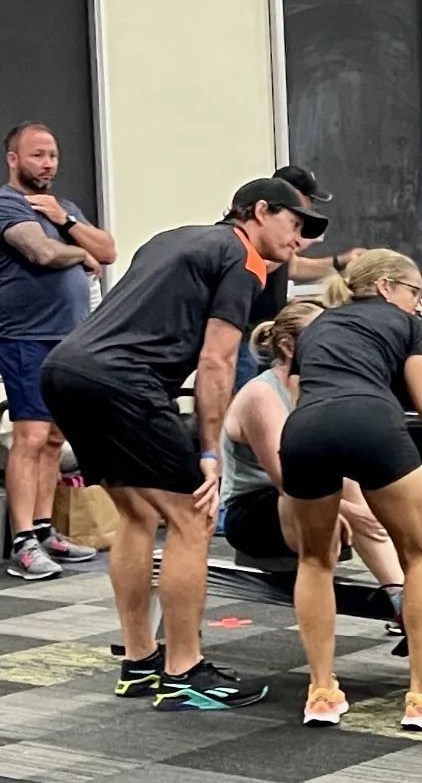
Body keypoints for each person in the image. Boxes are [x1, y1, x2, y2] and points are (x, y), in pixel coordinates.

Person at [41, 178, 325, 708]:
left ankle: (140, 661)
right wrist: (211, 452)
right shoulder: (243, 260)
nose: (300, 238)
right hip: (125, 381)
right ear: (260, 212)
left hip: (65, 370)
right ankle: (185, 673)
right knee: (194, 516)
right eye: (295, 224)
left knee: (136, 514)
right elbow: (216, 362)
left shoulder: (172, 238)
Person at [279, 250, 422, 729]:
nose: (418, 304)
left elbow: (302, 400)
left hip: (302, 432)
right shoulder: (406, 326)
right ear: (385, 286)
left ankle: (321, 692)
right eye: (414, 292)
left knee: (314, 559)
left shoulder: (318, 325)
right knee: (421, 556)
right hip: (369, 420)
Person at [221, 299, 422, 613]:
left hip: (318, 493)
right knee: (349, 484)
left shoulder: (324, 385)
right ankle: (400, 595)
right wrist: (358, 510)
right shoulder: (261, 395)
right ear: (288, 347)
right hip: (257, 508)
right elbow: (288, 479)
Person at [0, 121, 115, 579]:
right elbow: (42, 253)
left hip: (70, 337)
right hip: (26, 336)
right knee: (29, 437)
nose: (47, 163)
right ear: (14, 159)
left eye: (52, 155)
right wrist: (77, 251)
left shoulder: (62, 206)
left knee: (53, 438)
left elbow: (107, 248)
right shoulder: (6, 203)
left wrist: (67, 223)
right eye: (37, 155)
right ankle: (22, 541)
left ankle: (46, 529)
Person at [235, 164, 366, 391]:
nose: (310, 210)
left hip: (269, 333)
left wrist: (340, 262)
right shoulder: (253, 240)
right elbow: (255, 267)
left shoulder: (280, 247)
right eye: (295, 223)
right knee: (244, 400)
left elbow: (293, 266)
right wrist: (287, 245)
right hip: (245, 337)